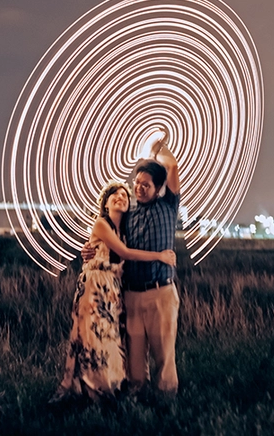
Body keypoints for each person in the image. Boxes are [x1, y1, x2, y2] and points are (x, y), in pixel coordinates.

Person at [52, 181, 176, 402]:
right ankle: (92, 391)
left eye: (124, 196)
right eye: (114, 195)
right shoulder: (101, 224)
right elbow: (125, 253)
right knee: (93, 338)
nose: (121, 198)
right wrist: (160, 256)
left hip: (114, 292)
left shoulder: (125, 228)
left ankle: (110, 386)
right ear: (105, 203)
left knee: (111, 340)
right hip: (95, 289)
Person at [82, 132, 181, 394]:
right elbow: (113, 243)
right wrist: (90, 250)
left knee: (164, 360)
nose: (139, 188)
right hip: (131, 295)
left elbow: (171, 166)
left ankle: (167, 408)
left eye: (146, 184)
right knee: (135, 366)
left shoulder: (168, 206)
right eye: (136, 183)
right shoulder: (129, 213)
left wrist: (155, 148)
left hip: (161, 291)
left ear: (158, 188)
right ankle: (136, 411)